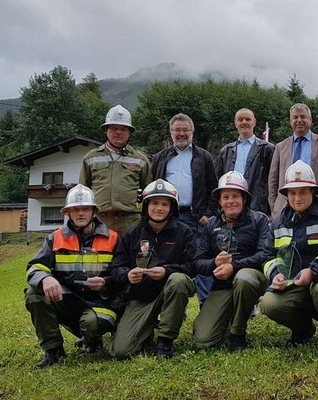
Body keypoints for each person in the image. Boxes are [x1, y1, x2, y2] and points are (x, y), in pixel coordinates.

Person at [25, 184, 120, 368]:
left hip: (101, 303)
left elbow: (121, 275)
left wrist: (106, 284)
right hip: (68, 300)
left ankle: (92, 339)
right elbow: (34, 266)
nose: (81, 213)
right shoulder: (55, 238)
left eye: (85, 208)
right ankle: (54, 351)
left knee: (91, 324)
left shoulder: (113, 239)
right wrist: (45, 278)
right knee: (34, 294)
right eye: (75, 209)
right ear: (67, 213)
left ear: (94, 211)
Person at [262, 160, 318, 349]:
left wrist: (314, 270)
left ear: (313, 191)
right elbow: (267, 255)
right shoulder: (278, 223)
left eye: (303, 191)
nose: (297, 198)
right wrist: (275, 274)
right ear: (286, 195)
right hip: (293, 282)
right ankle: (303, 330)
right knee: (269, 303)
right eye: (292, 193)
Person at [109, 179, 198, 359]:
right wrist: (127, 275)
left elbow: (191, 267)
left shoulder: (184, 232)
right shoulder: (132, 233)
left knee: (178, 280)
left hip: (169, 290)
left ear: (172, 207)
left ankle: (165, 340)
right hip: (141, 296)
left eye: (165, 204)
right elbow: (116, 268)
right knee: (121, 351)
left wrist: (167, 271)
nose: (159, 208)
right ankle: (146, 329)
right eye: (154, 203)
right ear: (145, 206)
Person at [193, 171, 270, 351]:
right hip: (222, 285)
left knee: (244, 279)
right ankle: (228, 317)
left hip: (252, 279)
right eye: (225, 197)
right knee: (203, 340)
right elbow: (197, 262)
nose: (230, 201)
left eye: (235, 196)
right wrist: (214, 264)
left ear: (244, 198)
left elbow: (264, 255)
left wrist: (234, 266)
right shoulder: (211, 224)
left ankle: (238, 333)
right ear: (219, 201)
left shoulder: (260, 220)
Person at [151, 113, 218, 309]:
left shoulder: (204, 156)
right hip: (168, 217)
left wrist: (209, 213)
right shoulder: (160, 157)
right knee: (168, 260)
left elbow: (213, 188)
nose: (181, 134)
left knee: (201, 261)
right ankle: (170, 308)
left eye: (185, 130)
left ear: (192, 132)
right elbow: (153, 186)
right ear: (170, 132)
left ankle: (207, 308)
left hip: (196, 217)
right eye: (177, 130)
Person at [80, 104, 151, 236]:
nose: (118, 132)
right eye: (113, 128)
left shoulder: (141, 160)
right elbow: (83, 191)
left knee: (131, 256)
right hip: (99, 220)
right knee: (101, 256)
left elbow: (147, 192)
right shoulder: (91, 158)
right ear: (105, 130)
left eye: (123, 129)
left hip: (131, 221)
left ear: (129, 133)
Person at [268, 103, 318, 218]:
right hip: (284, 208)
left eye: (303, 117)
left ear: (310, 120)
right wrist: (274, 206)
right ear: (290, 121)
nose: (299, 120)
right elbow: (273, 181)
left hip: (317, 207)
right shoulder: (280, 147)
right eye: (295, 117)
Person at [215, 108, 274, 215]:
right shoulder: (225, 151)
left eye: (248, 119)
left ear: (254, 122)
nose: (244, 122)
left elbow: (273, 182)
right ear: (235, 123)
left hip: (258, 209)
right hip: (231, 208)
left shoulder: (267, 149)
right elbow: (218, 181)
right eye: (240, 119)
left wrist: (271, 210)